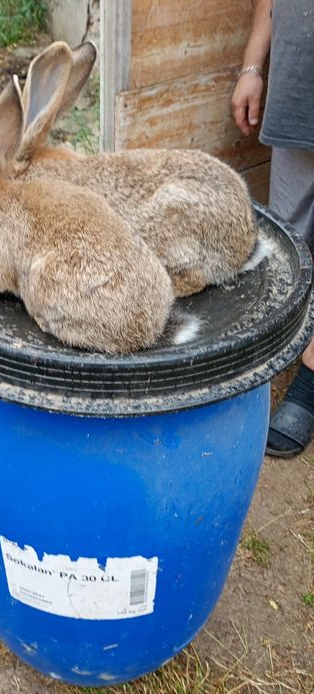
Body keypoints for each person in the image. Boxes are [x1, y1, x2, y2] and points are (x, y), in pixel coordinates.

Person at [231, 0, 314, 458]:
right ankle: (276, 353)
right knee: (288, 239)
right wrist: (253, 66)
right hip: (299, 78)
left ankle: (311, 377)